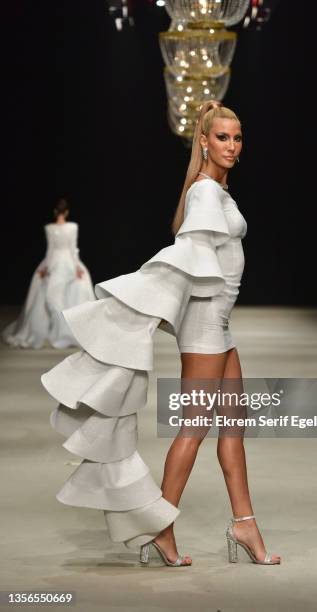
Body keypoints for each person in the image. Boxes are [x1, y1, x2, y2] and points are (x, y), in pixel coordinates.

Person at [41, 102, 281, 567]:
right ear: (204, 142)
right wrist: (144, 302)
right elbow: (185, 257)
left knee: (233, 427)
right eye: (223, 138)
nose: (232, 146)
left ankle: (244, 523)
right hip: (206, 326)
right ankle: (160, 528)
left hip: (220, 324)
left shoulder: (215, 191)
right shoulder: (204, 194)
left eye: (237, 138)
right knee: (195, 429)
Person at [3, 199, 95, 349]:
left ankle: (54, 329)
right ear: (66, 212)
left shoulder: (49, 228)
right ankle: (68, 330)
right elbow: (73, 249)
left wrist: (45, 268)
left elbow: (50, 251)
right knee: (72, 292)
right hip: (68, 262)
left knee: (50, 293)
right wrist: (77, 267)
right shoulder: (73, 226)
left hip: (55, 262)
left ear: (55, 212)